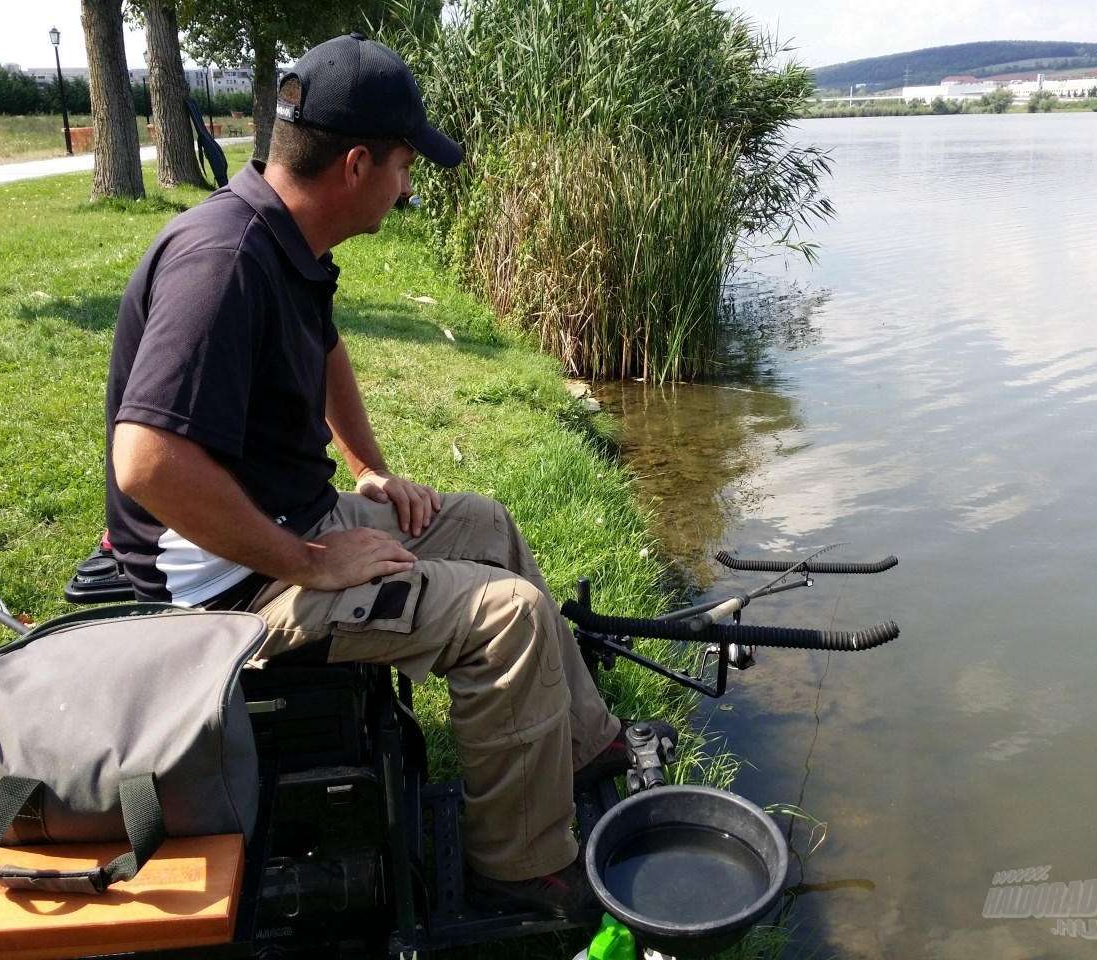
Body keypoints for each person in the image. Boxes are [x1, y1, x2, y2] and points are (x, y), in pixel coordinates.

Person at [103, 33, 672, 919]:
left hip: (286, 525)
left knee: (483, 523)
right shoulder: (222, 261)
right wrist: (309, 562)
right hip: (227, 592)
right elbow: (144, 461)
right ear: (357, 163)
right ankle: (518, 869)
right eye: (405, 166)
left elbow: (322, 345)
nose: (408, 188)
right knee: (509, 619)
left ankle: (582, 746)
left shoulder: (284, 233)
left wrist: (368, 469)